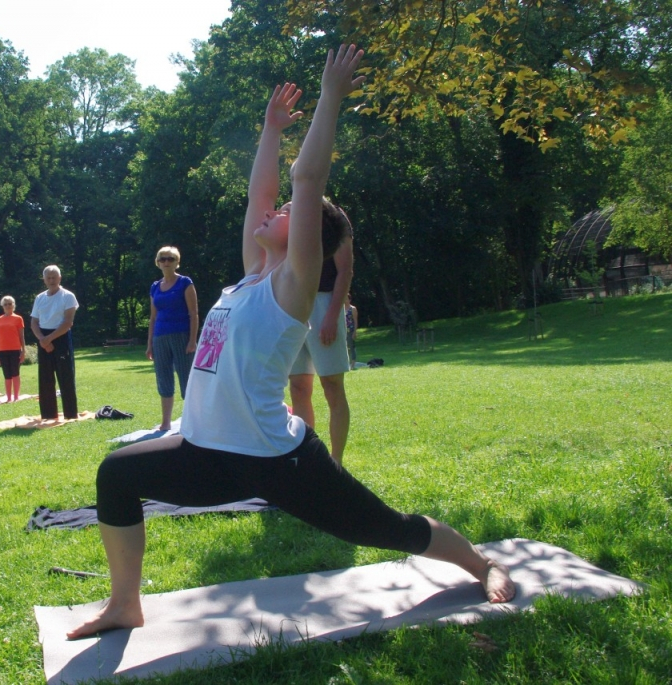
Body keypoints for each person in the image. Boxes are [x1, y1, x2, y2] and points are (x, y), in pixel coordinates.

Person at [66, 45, 514, 640]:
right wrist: (270, 131)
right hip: (205, 452)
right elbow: (260, 196)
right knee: (116, 475)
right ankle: (126, 603)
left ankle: (482, 564)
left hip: (278, 461)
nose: (273, 210)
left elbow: (307, 180)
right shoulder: (251, 275)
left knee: (388, 528)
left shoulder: (292, 287)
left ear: (306, 234)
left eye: (286, 214)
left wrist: (330, 96)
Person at [288, 167, 354, 465]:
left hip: (324, 304)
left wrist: (331, 316)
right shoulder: (289, 214)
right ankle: (309, 461)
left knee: (331, 386)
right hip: (292, 306)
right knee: (299, 387)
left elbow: (345, 270)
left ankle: (336, 463)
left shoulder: (334, 217)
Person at [145, 246, 199, 431]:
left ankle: (194, 420)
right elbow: (153, 317)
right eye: (163, 259)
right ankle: (166, 422)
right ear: (158, 262)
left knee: (186, 379)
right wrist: (149, 343)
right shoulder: (154, 287)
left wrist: (192, 340)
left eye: (170, 259)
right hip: (160, 337)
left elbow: (193, 313)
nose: (166, 262)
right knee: (163, 378)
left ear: (177, 262)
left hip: (181, 336)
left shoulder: (185, 283)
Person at [30, 265, 79, 420]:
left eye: (54, 277)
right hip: (43, 338)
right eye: (48, 278)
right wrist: (42, 340)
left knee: (66, 377)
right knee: (45, 378)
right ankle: (48, 414)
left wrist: (49, 339)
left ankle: (70, 414)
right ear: (44, 280)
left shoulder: (68, 296)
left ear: (60, 278)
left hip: (61, 336)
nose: (51, 280)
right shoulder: (40, 298)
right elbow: (34, 322)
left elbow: (68, 322)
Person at [0, 296, 26, 402]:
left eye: (10, 303)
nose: (8, 306)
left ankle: (16, 397)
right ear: (2, 306)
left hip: (15, 349)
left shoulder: (18, 318)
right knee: (7, 374)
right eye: (5, 304)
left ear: (14, 305)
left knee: (15, 373)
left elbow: (21, 336)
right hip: (2, 350)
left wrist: (23, 350)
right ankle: (8, 398)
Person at [345, 293, 358, 370]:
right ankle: (347, 362)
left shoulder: (352, 309)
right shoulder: (341, 308)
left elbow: (355, 321)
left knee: (351, 347)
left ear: (349, 299)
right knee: (345, 347)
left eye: (346, 298)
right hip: (343, 330)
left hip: (350, 330)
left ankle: (353, 364)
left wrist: (355, 332)